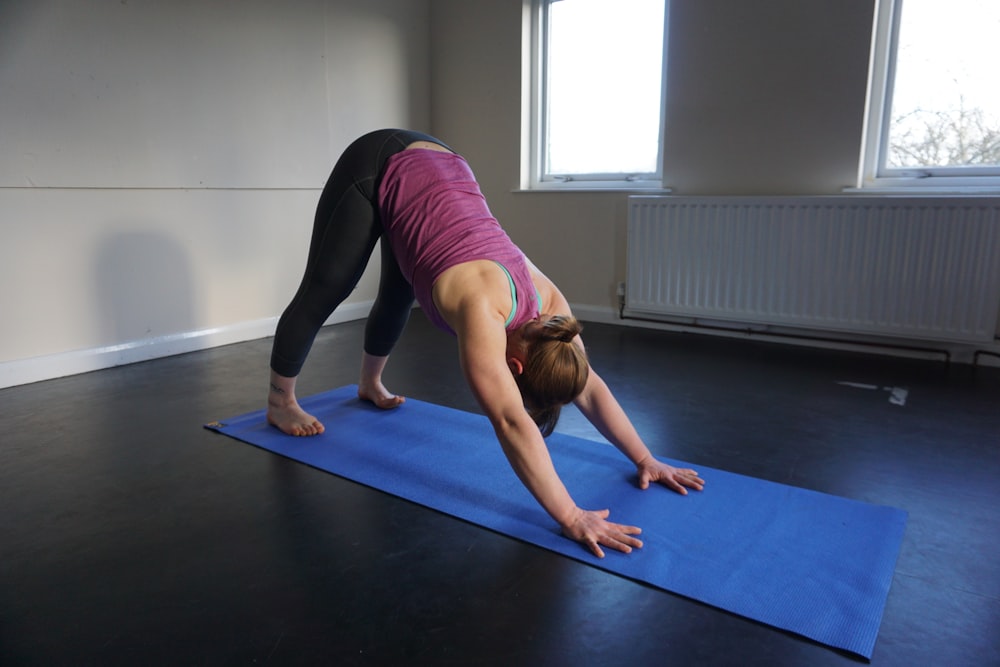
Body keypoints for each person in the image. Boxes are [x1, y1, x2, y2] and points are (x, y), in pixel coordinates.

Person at [267, 129, 705, 558]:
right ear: (514, 369)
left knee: (401, 291)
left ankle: (369, 385)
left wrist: (646, 458)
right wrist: (571, 516)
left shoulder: (554, 313)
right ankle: (280, 400)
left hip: (444, 167)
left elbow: (590, 386)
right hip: (379, 163)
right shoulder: (482, 312)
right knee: (327, 286)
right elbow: (512, 422)